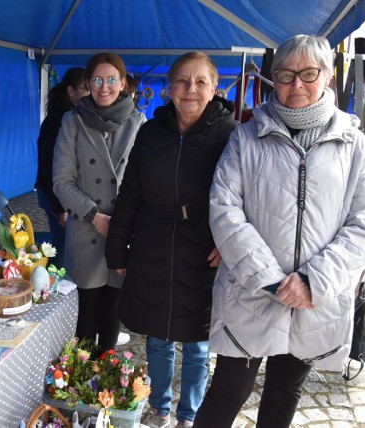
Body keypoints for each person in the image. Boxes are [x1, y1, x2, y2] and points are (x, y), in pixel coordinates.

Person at [194, 35, 365, 427]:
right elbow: (224, 210)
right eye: (285, 75)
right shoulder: (246, 137)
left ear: (328, 76)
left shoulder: (353, 144)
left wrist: (313, 281)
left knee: (284, 394)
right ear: (273, 79)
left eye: (308, 73)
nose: (297, 84)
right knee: (228, 390)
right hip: (250, 294)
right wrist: (269, 280)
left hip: (314, 301)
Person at [105, 51, 238, 428]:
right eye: (181, 81)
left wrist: (229, 244)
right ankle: (160, 409)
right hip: (154, 242)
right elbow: (130, 193)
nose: (190, 89)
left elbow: (248, 200)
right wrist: (118, 245)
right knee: (158, 337)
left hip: (204, 246)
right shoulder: (150, 132)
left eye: (200, 81)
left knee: (197, 343)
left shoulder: (230, 134)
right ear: (168, 88)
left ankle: (188, 416)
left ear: (215, 87)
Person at [53, 53, 146, 354]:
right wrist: (94, 216)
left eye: (110, 80)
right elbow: (61, 182)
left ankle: (103, 383)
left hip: (122, 235)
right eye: (96, 80)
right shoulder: (73, 121)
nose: (103, 87)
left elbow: (144, 183)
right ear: (88, 83)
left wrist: (121, 225)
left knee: (112, 317)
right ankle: (77, 383)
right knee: (82, 320)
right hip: (85, 230)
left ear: (122, 83)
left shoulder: (138, 123)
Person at [35, 67, 87, 268]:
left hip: (62, 195)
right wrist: (60, 208)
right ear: (70, 91)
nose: (89, 94)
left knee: (67, 246)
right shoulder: (57, 122)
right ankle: (54, 291)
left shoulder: (70, 117)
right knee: (62, 248)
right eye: (84, 88)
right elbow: (50, 167)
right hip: (55, 195)